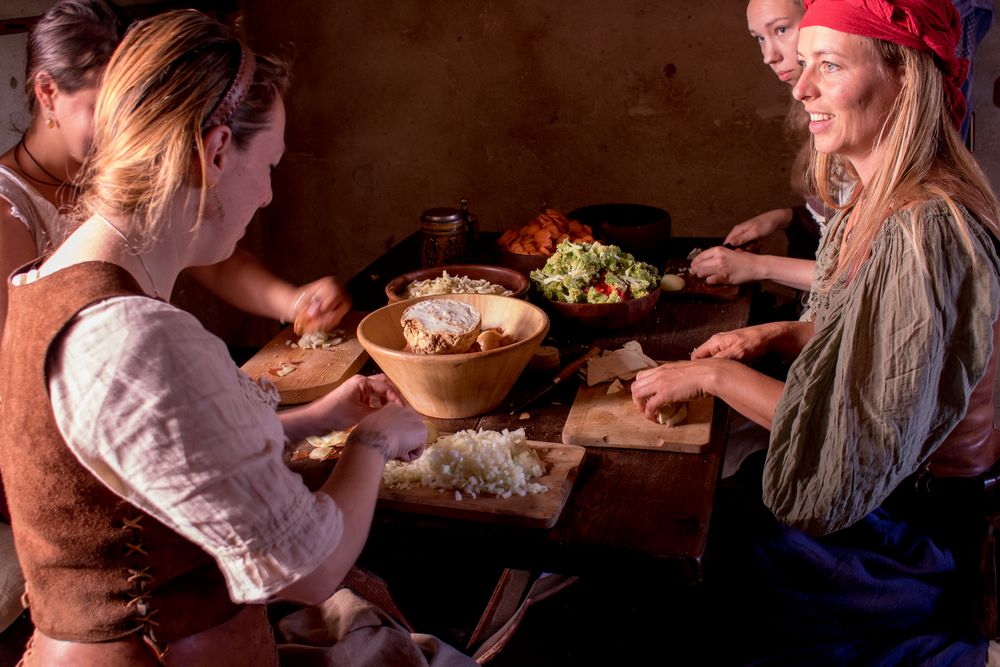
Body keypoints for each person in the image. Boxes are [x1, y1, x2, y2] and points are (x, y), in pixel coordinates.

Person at [0, 10, 474, 665]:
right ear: (216, 151)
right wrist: (373, 440)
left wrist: (319, 417)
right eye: (269, 164)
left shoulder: (46, 283)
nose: (269, 193)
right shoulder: (135, 336)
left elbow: (162, 460)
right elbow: (309, 569)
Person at [632, 0, 1000, 662]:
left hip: (914, 531)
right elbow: (868, 346)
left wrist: (715, 374)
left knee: (700, 556)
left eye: (826, 67)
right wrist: (770, 337)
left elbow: (850, 443)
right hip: (895, 496)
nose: (801, 89)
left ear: (904, 79)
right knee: (717, 504)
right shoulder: (881, 202)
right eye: (803, 65)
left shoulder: (925, 232)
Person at [0, 0, 349, 335]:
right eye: (101, 107)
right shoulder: (8, 208)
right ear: (47, 92)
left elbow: (207, 250)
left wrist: (294, 302)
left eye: (134, 106)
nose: (128, 125)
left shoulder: (123, 163)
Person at [688, 0, 820, 293]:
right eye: (760, 38)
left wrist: (758, 267)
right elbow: (838, 225)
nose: (768, 56)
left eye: (782, 29)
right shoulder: (809, 106)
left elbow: (872, 278)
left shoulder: (864, 117)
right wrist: (786, 217)